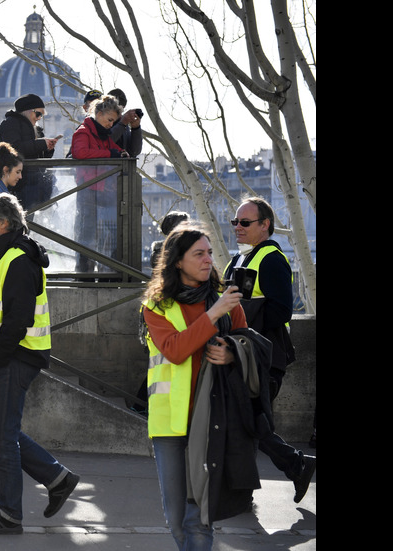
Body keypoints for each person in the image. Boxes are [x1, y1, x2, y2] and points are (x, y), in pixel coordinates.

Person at [0, 192, 80, 535]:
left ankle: (9, 513)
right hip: (11, 356)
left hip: (15, 357)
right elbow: (1, 307)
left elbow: (18, 318)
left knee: (0, 436)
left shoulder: (16, 258)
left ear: (3, 223)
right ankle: (57, 478)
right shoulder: (7, 255)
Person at [142, 222, 247, 551]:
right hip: (169, 424)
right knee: (175, 517)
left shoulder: (229, 304)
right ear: (177, 261)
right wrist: (213, 314)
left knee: (198, 518)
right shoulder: (156, 308)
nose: (208, 260)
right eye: (198, 254)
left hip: (212, 421)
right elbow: (174, 350)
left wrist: (232, 354)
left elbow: (248, 345)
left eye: (210, 253)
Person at [223, 197, 316, 503]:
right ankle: (252, 488)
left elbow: (281, 311)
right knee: (245, 421)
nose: (237, 227)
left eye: (244, 223)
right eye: (235, 222)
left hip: (265, 356)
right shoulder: (236, 259)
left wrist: (238, 315)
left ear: (265, 225)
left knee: (249, 420)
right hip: (241, 354)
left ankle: (292, 467)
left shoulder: (272, 259)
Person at [70, 94, 128, 276]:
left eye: (114, 121)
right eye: (110, 120)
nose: (111, 124)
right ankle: (84, 275)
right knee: (87, 235)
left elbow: (113, 150)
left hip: (101, 192)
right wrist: (110, 154)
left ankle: (105, 272)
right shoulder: (83, 132)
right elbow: (79, 153)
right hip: (88, 192)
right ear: (99, 113)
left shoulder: (102, 134)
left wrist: (120, 153)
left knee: (105, 234)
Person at [0, 94, 59, 211]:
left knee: (28, 222)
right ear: (27, 111)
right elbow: (14, 149)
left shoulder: (37, 130)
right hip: (17, 185)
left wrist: (48, 149)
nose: (39, 118)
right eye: (38, 114)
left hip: (33, 184)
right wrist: (41, 144)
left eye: (42, 115)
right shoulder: (9, 124)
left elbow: (37, 155)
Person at [106, 88, 143, 157]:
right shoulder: (100, 122)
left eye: (120, 109)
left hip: (123, 166)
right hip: (105, 166)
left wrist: (136, 129)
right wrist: (122, 123)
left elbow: (134, 151)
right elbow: (105, 143)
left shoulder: (123, 124)